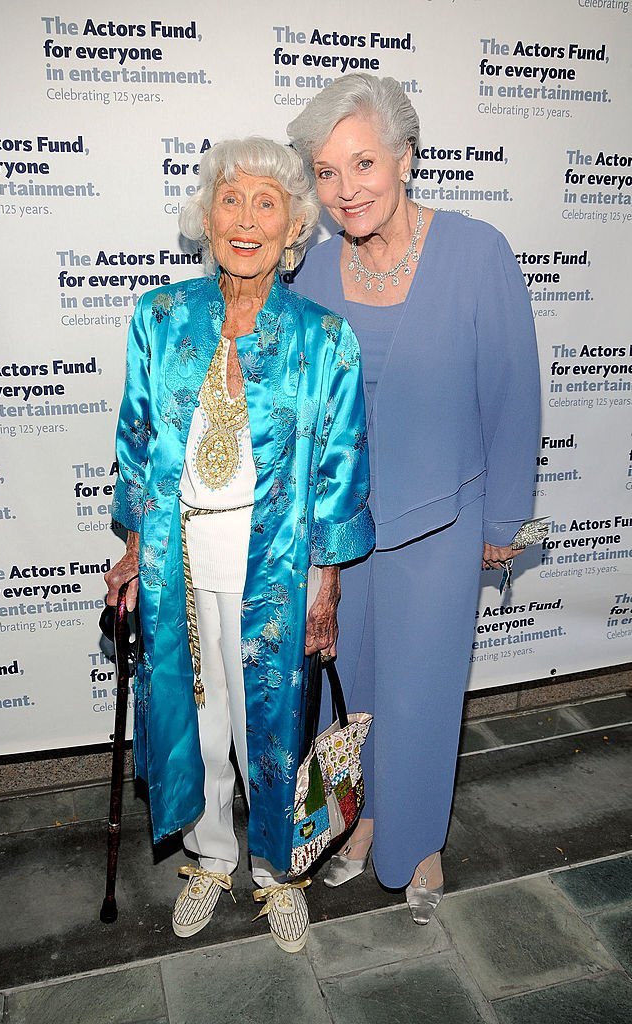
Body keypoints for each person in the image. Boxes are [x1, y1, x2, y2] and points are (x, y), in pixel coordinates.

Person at [104, 137, 374, 952]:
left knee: (273, 731)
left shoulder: (325, 340)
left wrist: (325, 585)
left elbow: (339, 468)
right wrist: (128, 548)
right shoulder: (159, 316)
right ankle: (210, 857)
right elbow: (137, 441)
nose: (247, 220)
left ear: (294, 226)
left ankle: (277, 872)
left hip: (277, 573)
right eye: (232, 200)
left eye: (268, 204)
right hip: (178, 566)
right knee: (200, 719)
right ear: (207, 215)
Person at [287, 74, 540, 923]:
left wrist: (503, 520)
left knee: (420, 690)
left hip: (443, 517)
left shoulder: (476, 252)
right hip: (344, 528)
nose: (346, 188)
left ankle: (417, 841)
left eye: (362, 163)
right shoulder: (318, 270)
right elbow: (304, 416)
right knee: (345, 687)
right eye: (325, 172)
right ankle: (354, 827)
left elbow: (511, 395)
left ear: (403, 157)